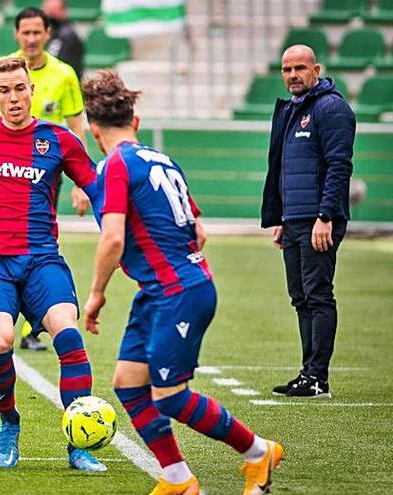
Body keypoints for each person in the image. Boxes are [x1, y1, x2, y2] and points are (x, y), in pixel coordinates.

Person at [81, 70, 284, 495]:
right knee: (129, 383)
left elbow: (113, 237)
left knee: (170, 395)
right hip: (163, 290)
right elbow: (199, 230)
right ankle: (178, 479)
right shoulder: (162, 159)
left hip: (178, 292)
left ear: (92, 129)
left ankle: (257, 451)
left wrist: (97, 293)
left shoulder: (115, 165)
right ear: (135, 123)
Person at [0, 57, 105, 472]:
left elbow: (96, 189)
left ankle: (77, 446)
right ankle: (9, 421)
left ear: (33, 90)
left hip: (41, 257)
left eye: (19, 88)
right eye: (4, 91)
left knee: (68, 333)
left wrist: (113, 233)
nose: (13, 98)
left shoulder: (61, 140)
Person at [0, 6, 89, 351]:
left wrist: (81, 181)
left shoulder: (65, 75)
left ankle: (35, 319)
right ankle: (14, 314)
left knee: (37, 237)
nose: (32, 39)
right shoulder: (0, 69)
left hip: (44, 167)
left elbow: (76, 124)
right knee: (3, 239)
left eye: (38, 32)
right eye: (26, 33)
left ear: (48, 34)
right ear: (16, 35)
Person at [262, 45, 354, 399]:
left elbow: (339, 166)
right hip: (295, 219)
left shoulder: (332, 108)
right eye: (286, 70)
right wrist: (282, 217)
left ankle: (318, 378)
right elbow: (286, 170)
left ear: (316, 69)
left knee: (318, 295)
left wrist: (325, 216)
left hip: (319, 220)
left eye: (299, 68)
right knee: (300, 297)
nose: (292, 75)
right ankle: (308, 374)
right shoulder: (292, 110)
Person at [43, 0, 84, 79]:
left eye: (53, 10)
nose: (48, 13)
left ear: (64, 11)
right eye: (48, 9)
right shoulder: (54, 33)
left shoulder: (67, 36)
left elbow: (65, 67)